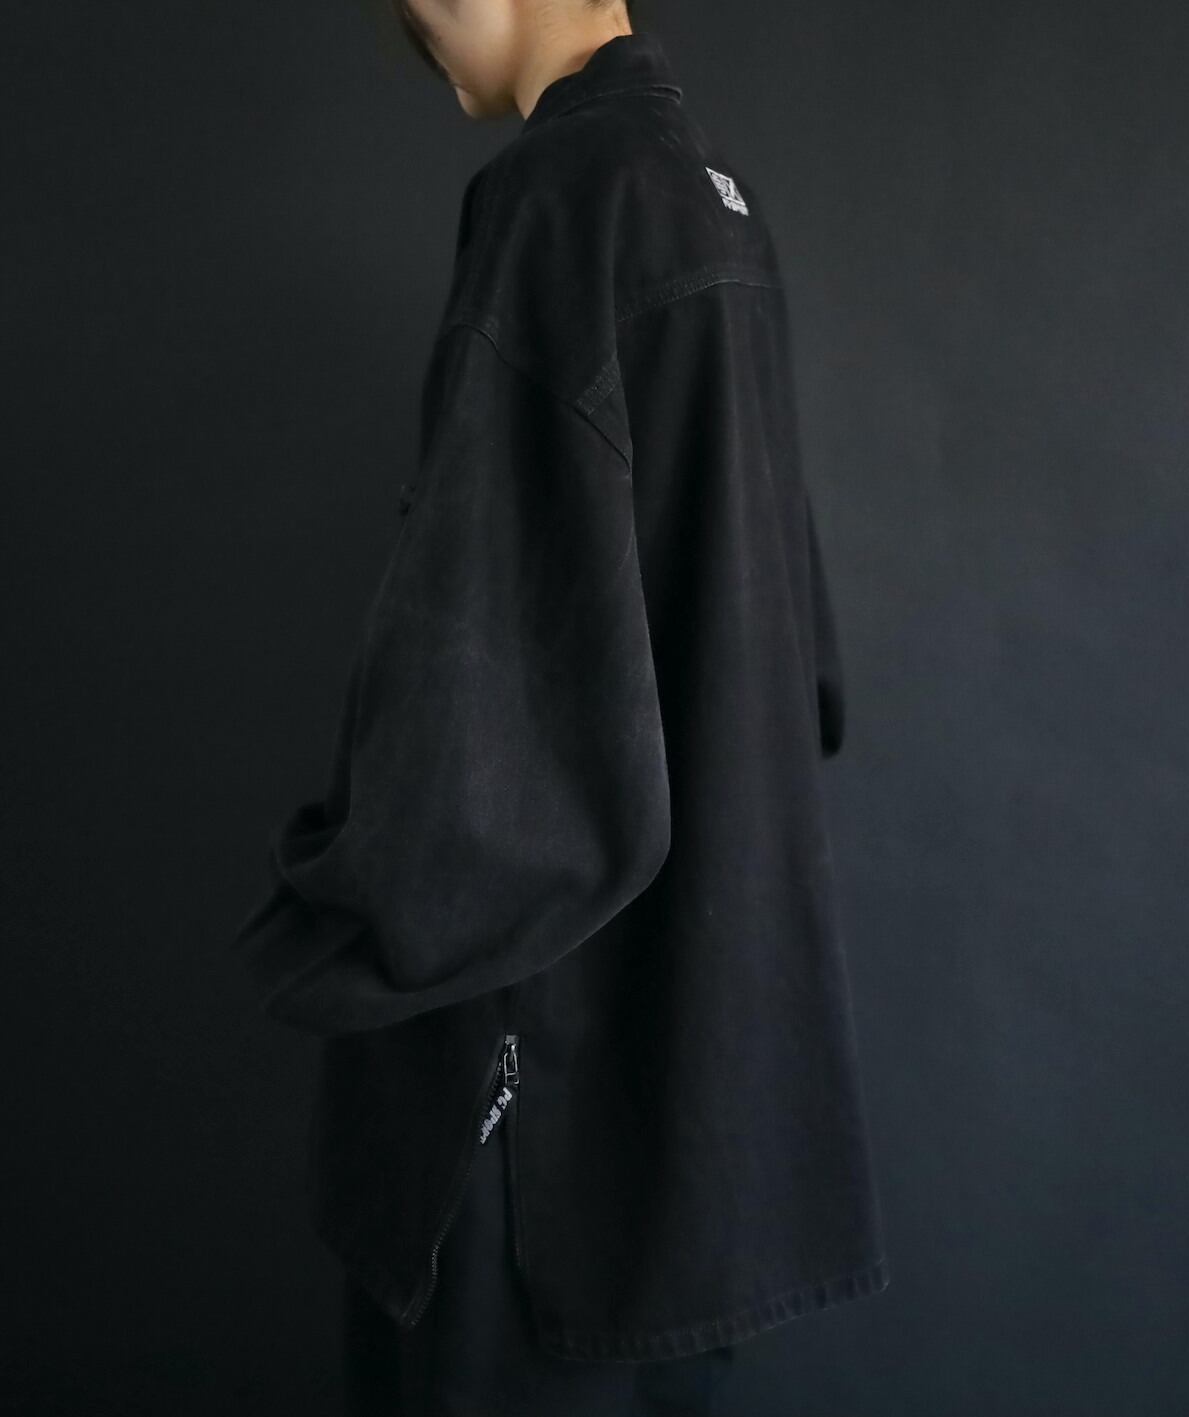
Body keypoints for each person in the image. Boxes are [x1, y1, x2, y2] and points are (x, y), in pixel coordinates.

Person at [230, 3, 892, 1412]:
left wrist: (336, 906)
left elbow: (484, 708)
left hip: (535, 1093)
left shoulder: (558, 199)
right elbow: (799, 667)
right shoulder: (711, 198)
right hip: (692, 1095)